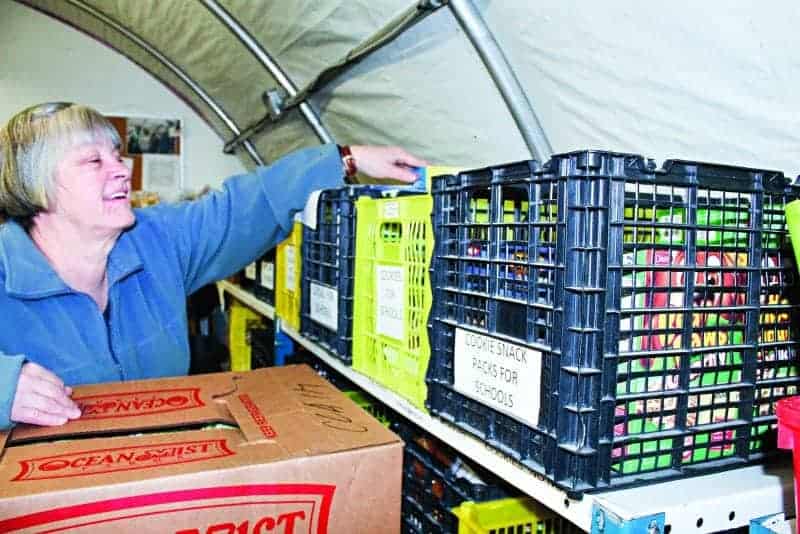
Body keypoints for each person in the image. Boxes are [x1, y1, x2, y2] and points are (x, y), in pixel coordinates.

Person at [0, 102, 426, 430]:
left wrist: (345, 159)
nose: (122, 170)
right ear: (36, 184)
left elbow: (239, 209)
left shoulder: (155, 240)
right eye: (94, 162)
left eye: (116, 155)